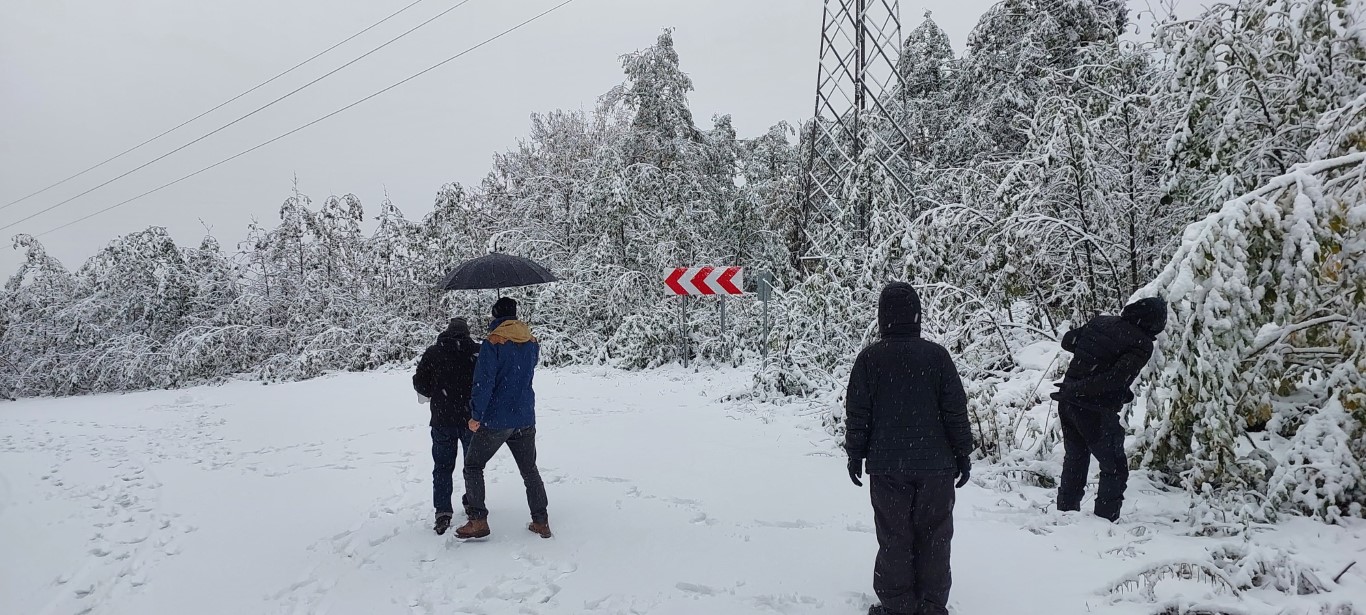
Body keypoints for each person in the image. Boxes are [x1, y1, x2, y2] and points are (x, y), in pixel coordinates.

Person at [845, 282, 974, 615]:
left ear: (882, 317)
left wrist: (855, 454)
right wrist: (963, 453)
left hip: (888, 466)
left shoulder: (869, 359)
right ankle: (931, 605)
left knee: (894, 535)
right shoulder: (937, 356)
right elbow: (955, 410)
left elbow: (859, 413)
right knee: (935, 535)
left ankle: (898, 604)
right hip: (936, 466)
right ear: (916, 316)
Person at [1051, 296, 1167, 522]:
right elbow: (1114, 379)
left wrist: (1091, 351)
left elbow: (1069, 341)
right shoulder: (1141, 344)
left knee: (1076, 458)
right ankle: (1105, 523)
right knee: (1114, 467)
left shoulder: (1102, 322)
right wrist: (1080, 389)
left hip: (1068, 403)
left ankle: (1065, 514)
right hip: (1093, 409)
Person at [456, 297, 551, 540]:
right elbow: (525, 372)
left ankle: (478, 520)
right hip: (524, 416)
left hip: (497, 419)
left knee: (473, 465)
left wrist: (476, 415)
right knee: (529, 470)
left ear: (495, 316)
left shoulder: (493, 343)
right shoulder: (531, 342)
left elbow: (484, 382)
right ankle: (541, 521)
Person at [413, 317, 481, 535]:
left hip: (442, 419)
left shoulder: (433, 353)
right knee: (472, 467)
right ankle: (472, 503)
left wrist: (437, 390)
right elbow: (486, 381)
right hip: (471, 420)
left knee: (442, 467)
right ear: (467, 332)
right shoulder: (477, 353)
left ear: (447, 331)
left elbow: (420, 383)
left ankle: (442, 512)